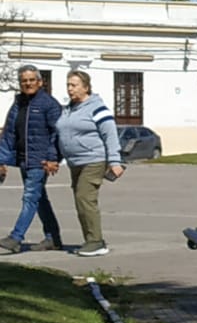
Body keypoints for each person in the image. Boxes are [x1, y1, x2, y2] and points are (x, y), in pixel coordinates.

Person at [57, 70, 124, 257]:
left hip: (93, 159)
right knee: (80, 202)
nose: (70, 89)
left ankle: (96, 241)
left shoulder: (97, 108)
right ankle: (90, 240)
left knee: (85, 199)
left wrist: (115, 161)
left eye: (74, 85)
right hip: (75, 162)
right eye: (68, 85)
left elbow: (110, 134)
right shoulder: (68, 109)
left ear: (86, 87)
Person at [0, 65, 63, 254]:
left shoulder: (49, 104)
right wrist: (1, 160)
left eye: (31, 80)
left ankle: (16, 237)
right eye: (24, 81)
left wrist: (52, 157)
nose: (28, 84)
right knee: (39, 199)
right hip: (23, 160)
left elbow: (56, 134)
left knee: (30, 198)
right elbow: (9, 133)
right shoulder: (18, 103)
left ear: (40, 82)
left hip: (40, 161)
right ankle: (53, 238)